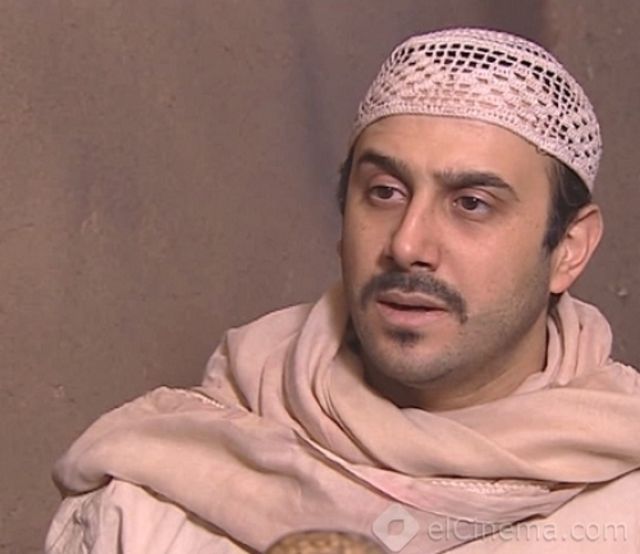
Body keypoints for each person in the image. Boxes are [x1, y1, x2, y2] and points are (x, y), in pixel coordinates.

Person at [45, 28, 640, 553]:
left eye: (471, 204)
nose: (408, 243)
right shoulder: (153, 493)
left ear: (569, 248)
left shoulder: (623, 510)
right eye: (384, 192)